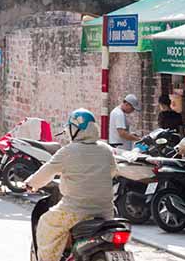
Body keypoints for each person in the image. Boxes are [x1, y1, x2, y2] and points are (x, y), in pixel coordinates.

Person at [26, 109, 117, 261]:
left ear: (75, 130)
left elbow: (47, 171)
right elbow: (113, 171)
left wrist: (31, 184)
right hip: (105, 212)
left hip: (76, 211)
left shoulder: (68, 151)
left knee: (46, 223)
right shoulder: (106, 150)